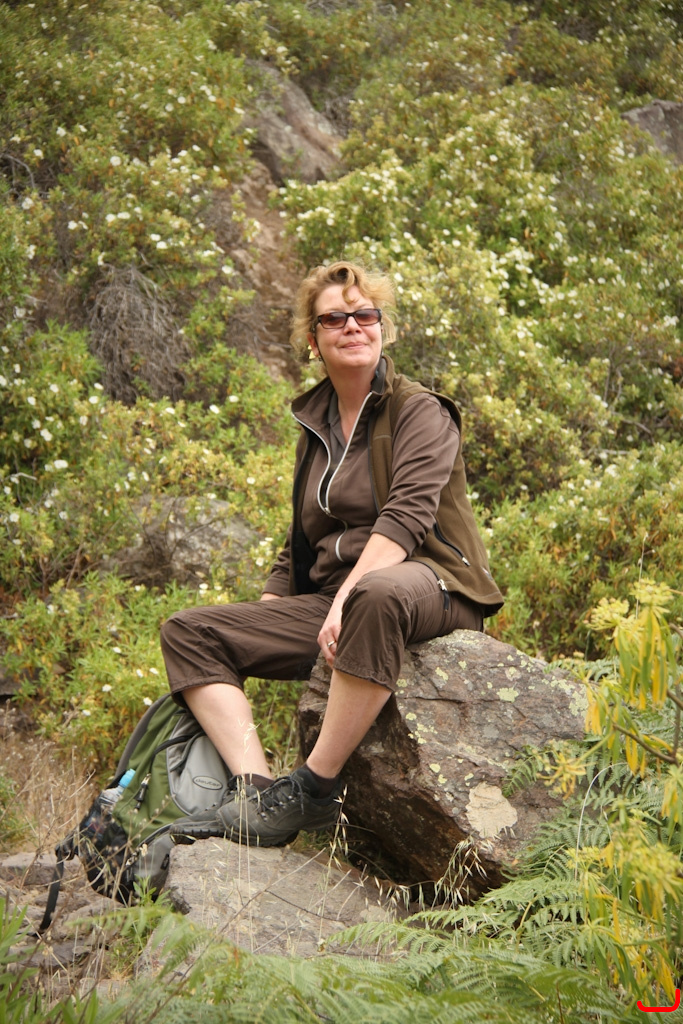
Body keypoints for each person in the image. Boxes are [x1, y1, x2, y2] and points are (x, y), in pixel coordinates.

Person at [162, 259, 504, 848]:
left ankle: (313, 789)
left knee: (376, 592)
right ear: (312, 339)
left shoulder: (420, 410)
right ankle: (260, 796)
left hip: (435, 584)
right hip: (339, 598)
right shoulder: (316, 423)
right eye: (334, 319)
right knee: (190, 633)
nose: (353, 326)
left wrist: (345, 599)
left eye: (365, 315)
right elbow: (300, 534)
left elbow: (406, 518)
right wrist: (270, 607)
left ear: (382, 327)